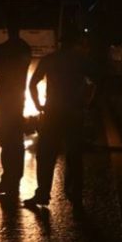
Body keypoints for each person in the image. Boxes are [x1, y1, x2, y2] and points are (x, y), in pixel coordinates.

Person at [24, 34, 94, 207]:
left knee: (46, 155)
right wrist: (87, 102)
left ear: (60, 43)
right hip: (74, 112)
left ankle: (43, 194)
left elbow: (32, 83)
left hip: (52, 112)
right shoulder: (80, 61)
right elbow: (96, 82)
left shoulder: (50, 59)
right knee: (74, 154)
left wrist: (39, 105)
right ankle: (75, 193)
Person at [0, 24, 32, 197]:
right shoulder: (25, 48)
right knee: (16, 143)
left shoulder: (2, 49)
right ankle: (13, 181)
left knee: (6, 143)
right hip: (17, 100)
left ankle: (7, 181)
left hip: (3, 101)